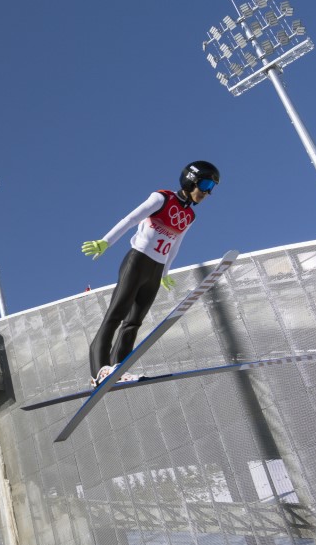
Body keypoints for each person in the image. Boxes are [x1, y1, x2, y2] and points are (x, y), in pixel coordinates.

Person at [82, 161, 220, 385]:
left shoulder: (190, 216)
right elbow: (130, 219)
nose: (207, 192)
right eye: (205, 184)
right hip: (137, 262)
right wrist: (105, 242)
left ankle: (118, 368)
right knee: (116, 315)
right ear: (191, 179)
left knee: (134, 322)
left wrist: (165, 272)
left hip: (155, 270)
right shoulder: (162, 198)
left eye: (211, 188)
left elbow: (175, 245)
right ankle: (99, 370)